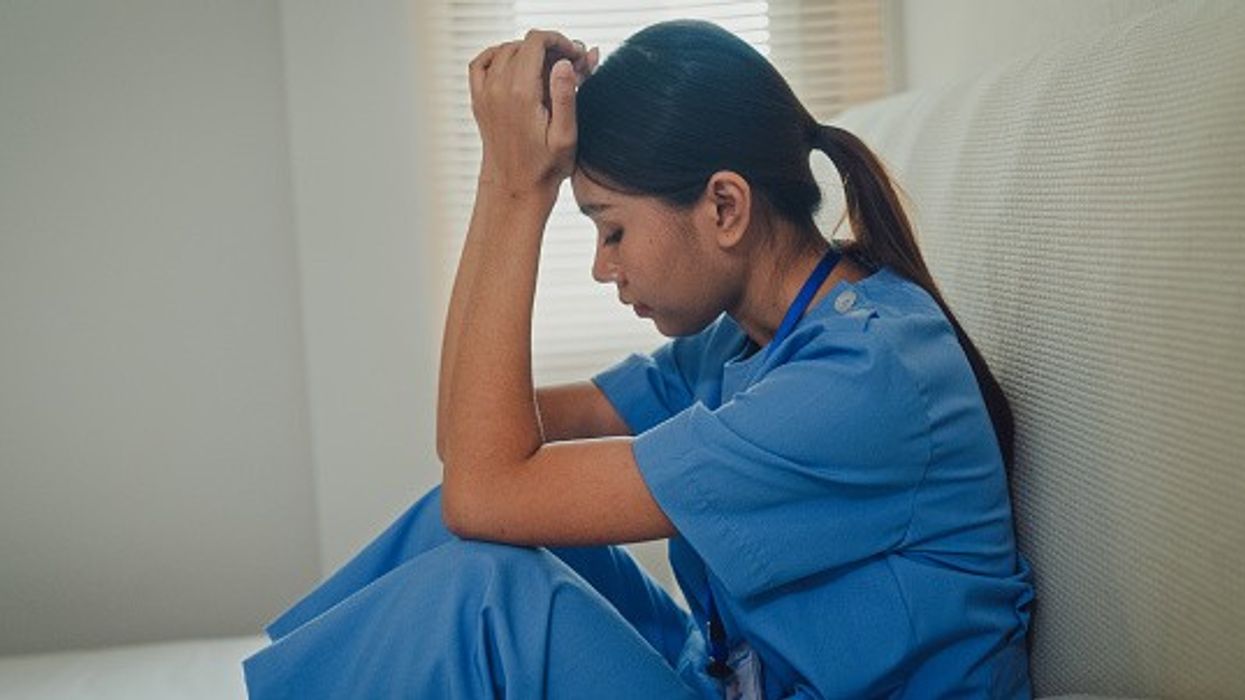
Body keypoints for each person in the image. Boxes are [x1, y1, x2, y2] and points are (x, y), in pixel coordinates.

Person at [242, 19, 1035, 699]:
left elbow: (485, 487)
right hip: (727, 675)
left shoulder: (858, 380)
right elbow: (471, 448)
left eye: (611, 229)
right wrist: (502, 174)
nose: (600, 265)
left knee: (487, 595)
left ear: (724, 207)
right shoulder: (741, 337)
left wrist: (520, 195)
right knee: (463, 533)